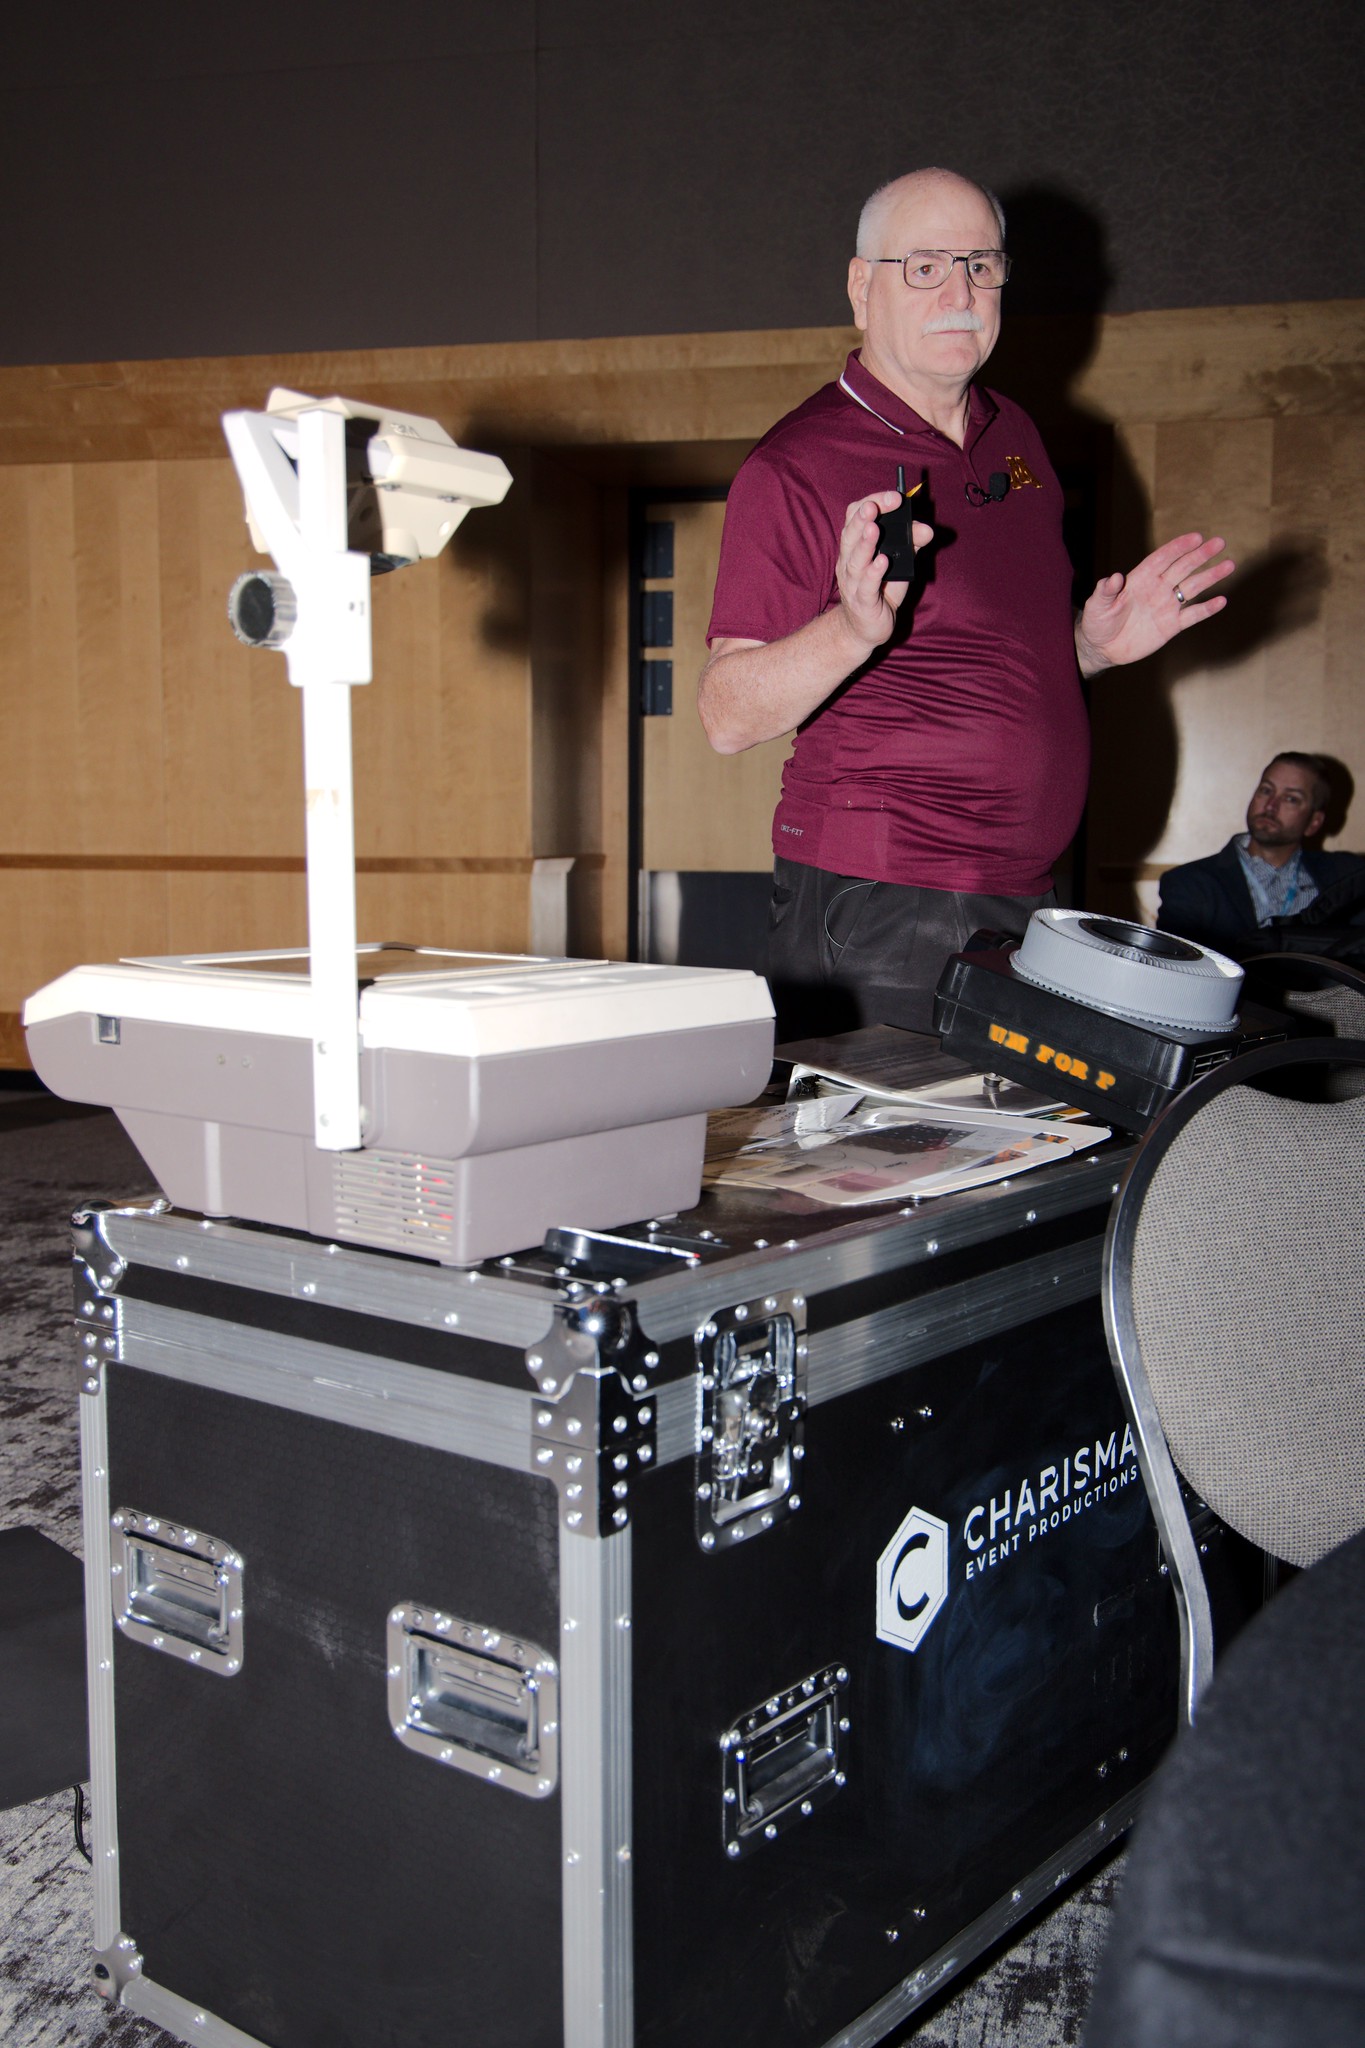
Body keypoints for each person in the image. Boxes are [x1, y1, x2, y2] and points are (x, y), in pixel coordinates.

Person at [700, 166, 1234, 1035]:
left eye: (981, 266)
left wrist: (1089, 646)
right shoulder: (795, 466)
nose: (959, 294)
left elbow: (982, 657)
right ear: (861, 288)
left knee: (1022, 1127)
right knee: (888, 1132)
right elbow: (725, 716)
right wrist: (852, 628)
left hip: (1022, 895)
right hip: (883, 899)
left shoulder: (1012, 437)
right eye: (924, 268)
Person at [1157, 753, 1365, 953]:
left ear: (1314, 822)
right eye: (1266, 790)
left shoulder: (1346, 876)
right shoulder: (1189, 883)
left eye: (1291, 798)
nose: (1271, 806)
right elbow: (1177, 967)